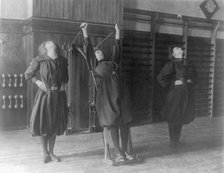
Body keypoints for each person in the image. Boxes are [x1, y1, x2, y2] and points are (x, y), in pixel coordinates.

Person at [78, 22, 135, 163]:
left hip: (121, 94)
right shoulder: (94, 66)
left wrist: (117, 31)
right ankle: (118, 152)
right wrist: (85, 31)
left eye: (100, 51)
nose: (99, 52)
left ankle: (127, 151)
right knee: (113, 123)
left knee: (125, 122)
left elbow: (117, 47)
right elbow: (88, 49)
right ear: (94, 57)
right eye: (96, 52)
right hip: (107, 98)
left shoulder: (113, 62)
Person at [25, 41, 69, 163]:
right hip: (44, 96)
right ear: (45, 48)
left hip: (58, 96)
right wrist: (38, 82)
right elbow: (28, 74)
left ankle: (52, 152)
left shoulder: (63, 60)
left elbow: (66, 78)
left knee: (54, 124)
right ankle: (45, 153)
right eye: (48, 44)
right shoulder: (39, 60)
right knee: (44, 123)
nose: (51, 43)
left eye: (53, 43)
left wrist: (62, 85)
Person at [157, 45, 197, 148]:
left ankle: (177, 141)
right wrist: (173, 83)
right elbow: (161, 78)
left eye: (180, 48)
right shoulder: (171, 64)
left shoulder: (188, 63)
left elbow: (195, 76)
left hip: (185, 93)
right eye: (177, 49)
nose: (179, 49)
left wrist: (190, 80)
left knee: (181, 117)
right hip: (175, 94)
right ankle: (172, 142)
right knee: (173, 116)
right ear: (174, 54)